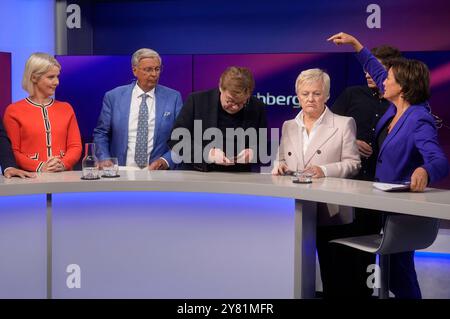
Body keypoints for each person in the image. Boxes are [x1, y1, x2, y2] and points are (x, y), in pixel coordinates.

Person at [328, 32, 449, 298]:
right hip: (384, 209)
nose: (383, 81)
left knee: (400, 276)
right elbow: (375, 68)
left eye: (389, 78)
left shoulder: (418, 118)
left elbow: (439, 161)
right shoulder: (398, 107)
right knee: (397, 273)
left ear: (403, 87)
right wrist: (356, 45)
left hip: (403, 215)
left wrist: (425, 170)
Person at [271, 68, 361, 298]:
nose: (310, 99)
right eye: (305, 93)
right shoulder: (289, 125)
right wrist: (279, 165)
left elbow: (353, 164)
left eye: (316, 93)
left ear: (327, 95)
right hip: (296, 212)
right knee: (295, 277)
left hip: (331, 213)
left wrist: (324, 170)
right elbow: (282, 158)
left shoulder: (343, 123)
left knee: (335, 278)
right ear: (297, 96)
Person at [329, 45, 402, 298]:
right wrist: (351, 142)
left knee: (369, 247)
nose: (368, 73)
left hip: (380, 190)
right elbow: (328, 131)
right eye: (367, 68)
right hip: (346, 186)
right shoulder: (351, 94)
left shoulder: (399, 105)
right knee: (342, 247)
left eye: (376, 69)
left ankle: (365, 294)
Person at [93, 48, 183, 170]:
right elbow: (101, 133)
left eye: (157, 69)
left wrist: (166, 160)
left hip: (157, 172)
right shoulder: (114, 97)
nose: (154, 74)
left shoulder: (173, 98)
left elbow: (182, 137)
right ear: (134, 70)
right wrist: (104, 158)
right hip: (121, 170)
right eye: (148, 69)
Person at [168, 66, 267, 172]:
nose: (235, 107)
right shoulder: (197, 101)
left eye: (242, 103)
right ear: (221, 88)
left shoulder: (257, 106)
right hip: (199, 173)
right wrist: (208, 154)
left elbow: (263, 147)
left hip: (240, 176)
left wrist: (252, 153)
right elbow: (176, 140)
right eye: (230, 101)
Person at [3, 53, 82, 172]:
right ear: (34, 77)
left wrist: (63, 164)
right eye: (51, 77)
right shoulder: (13, 111)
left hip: (64, 177)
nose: (57, 82)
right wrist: (40, 167)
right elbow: (13, 151)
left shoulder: (66, 108)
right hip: (29, 179)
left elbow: (75, 146)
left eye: (57, 77)